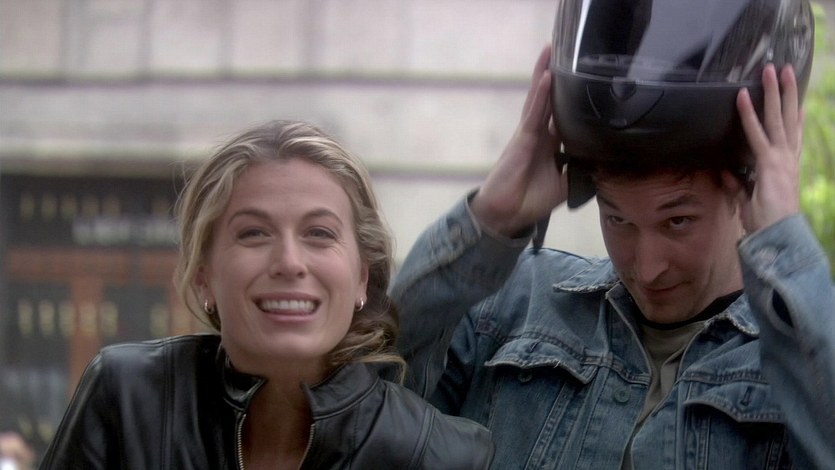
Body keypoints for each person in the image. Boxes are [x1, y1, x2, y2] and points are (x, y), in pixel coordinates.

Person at [391, 1, 834, 468]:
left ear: (750, 191)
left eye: (678, 222)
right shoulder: (508, 310)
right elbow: (369, 400)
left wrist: (782, 242)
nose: (647, 268)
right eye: (618, 220)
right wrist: (489, 221)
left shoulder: (795, 366)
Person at [39, 120, 494, 469]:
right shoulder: (126, 397)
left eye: (319, 233)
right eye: (254, 233)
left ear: (362, 277)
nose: (289, 262)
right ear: (203, 276)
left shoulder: (443, 455)